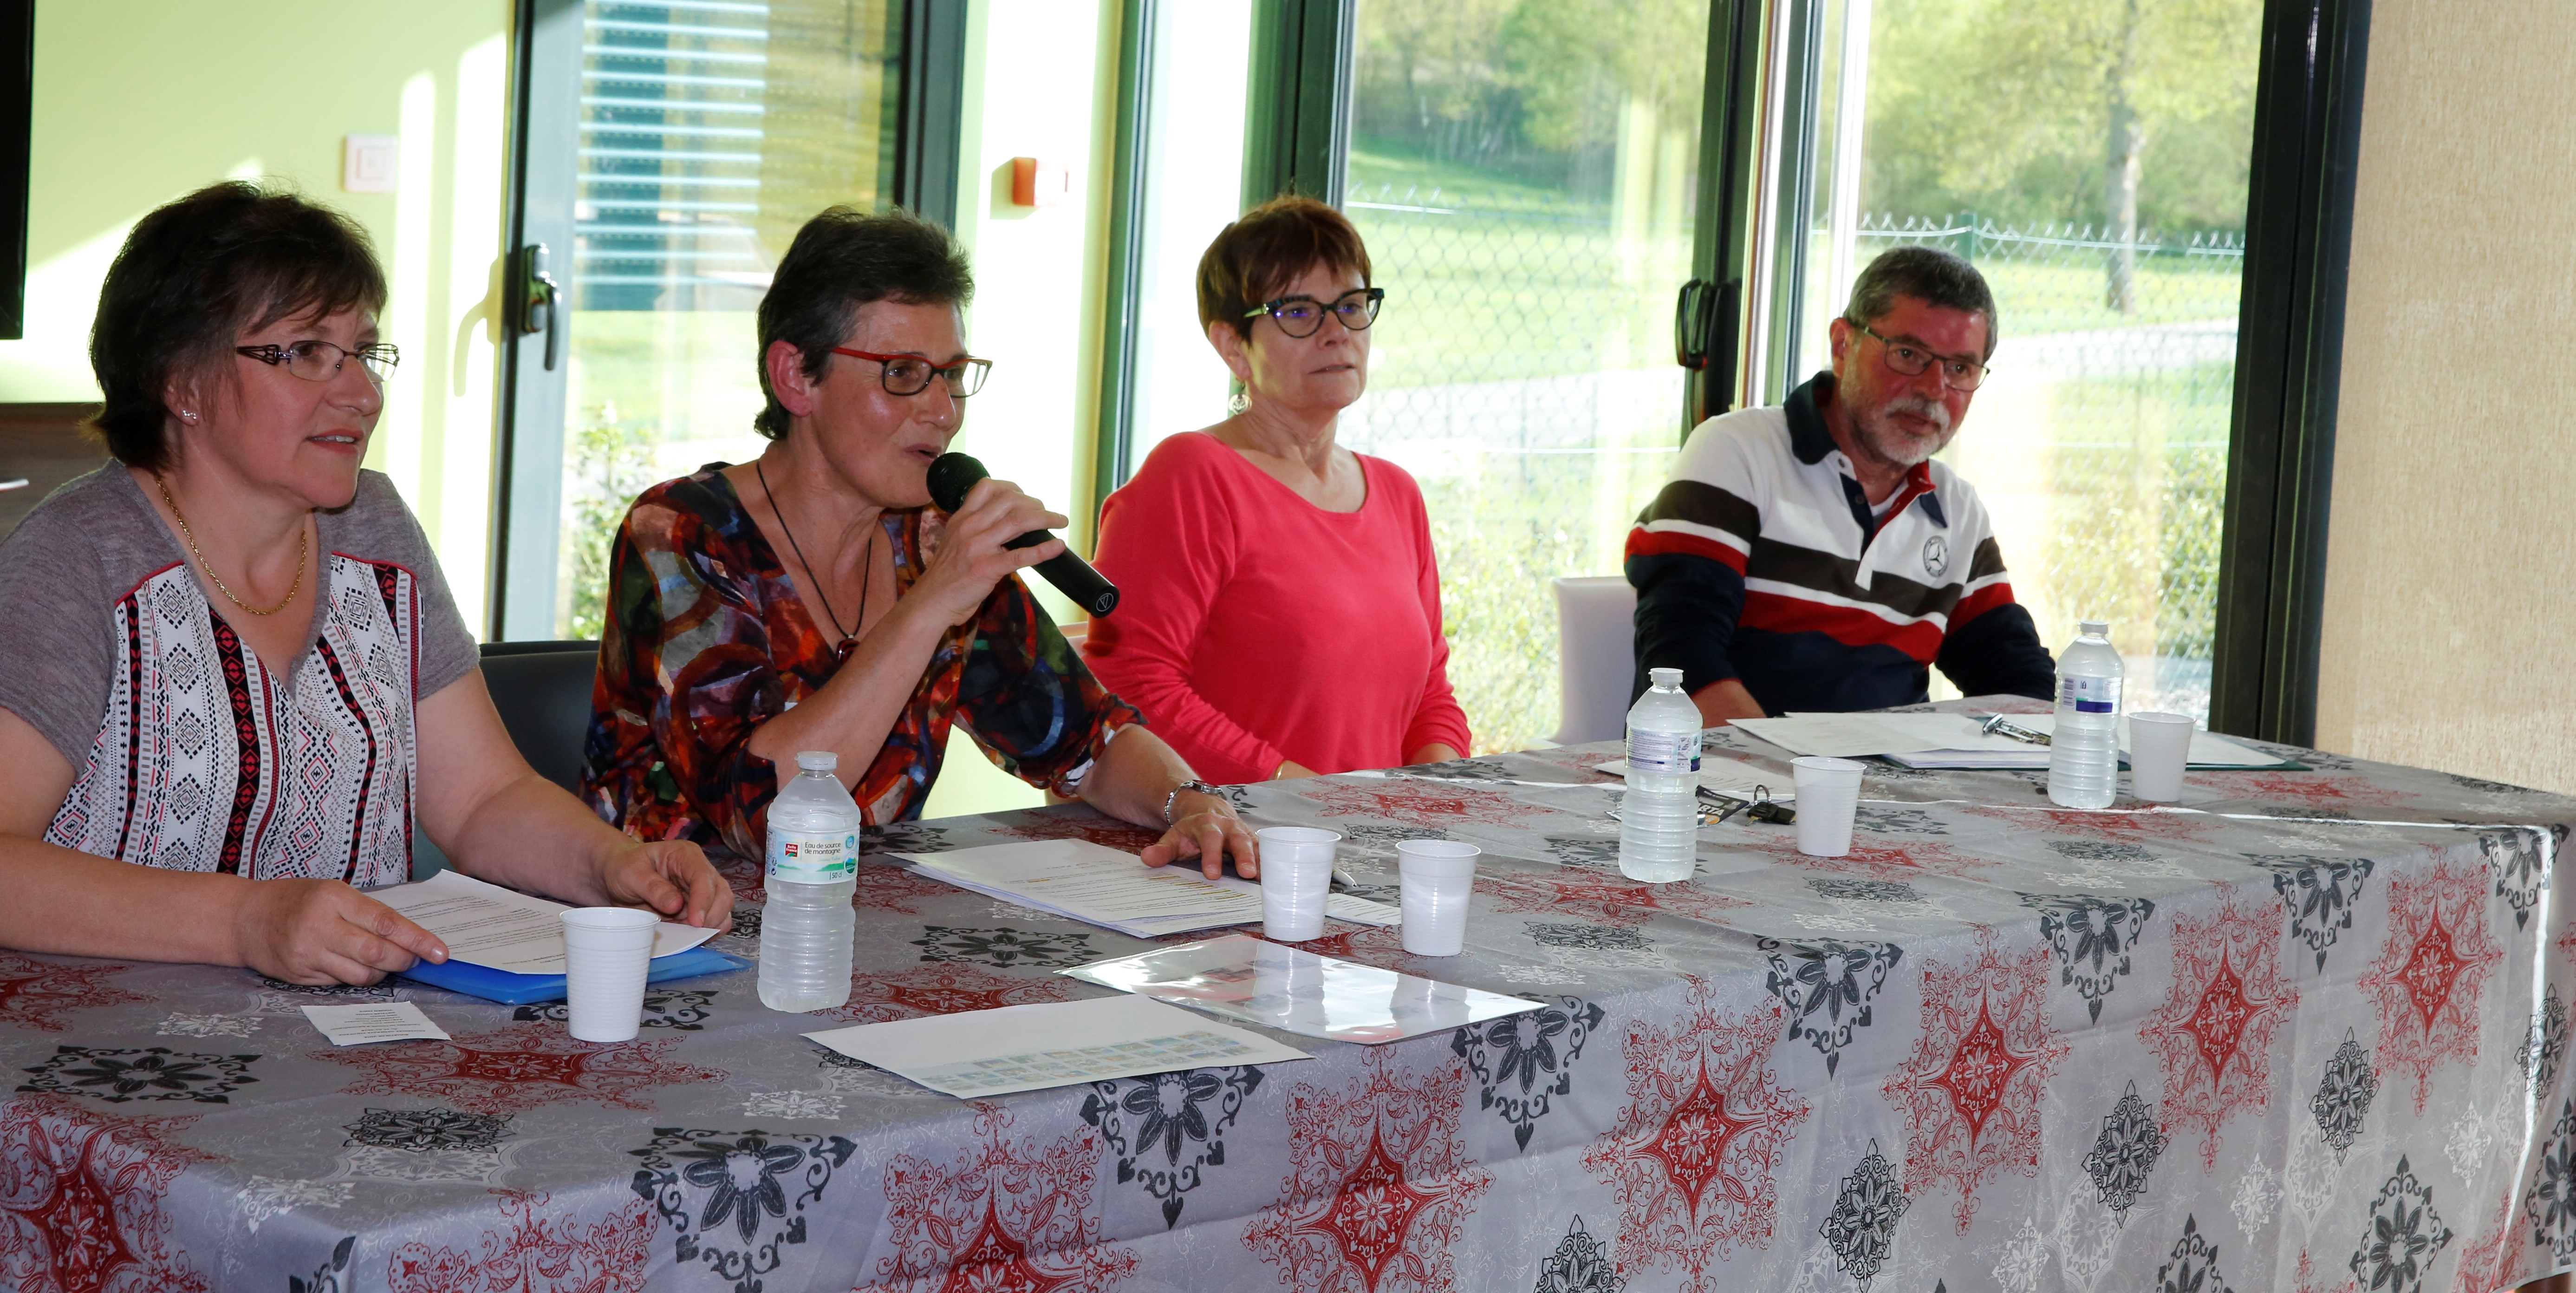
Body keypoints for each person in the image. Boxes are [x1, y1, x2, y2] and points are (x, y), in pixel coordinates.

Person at [0, 183, 730, 986]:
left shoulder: (373, 529)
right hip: (100, 1053)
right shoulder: (77, 557)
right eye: (307, 351)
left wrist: (612, 866)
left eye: (363, 352)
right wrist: (248, 921)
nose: (363, 392)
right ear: (183, 382)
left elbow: (481, 798)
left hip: (345, 1034)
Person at [581, 207, 1256, 878]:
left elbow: (1087, 741)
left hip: (859, 927)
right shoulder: (683, 533)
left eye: (953, 373)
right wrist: (933, 603)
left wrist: (1189, 803)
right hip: (675, 934)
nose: (943, 411)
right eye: (903, 373)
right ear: (796, 376)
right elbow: (760, 817)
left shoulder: (927, 538)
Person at [1080, 196, 1471, 783]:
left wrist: (1432, 797)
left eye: (1350, 305)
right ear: (1233, 346)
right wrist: (1297, 793)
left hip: (1369, 846)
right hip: (1225, 846)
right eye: (1298, 312)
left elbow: (1430, 696)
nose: (1336, 332)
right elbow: (1133, 687)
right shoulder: (1190, 475)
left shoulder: (1396, 493)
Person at [1627, 246, 2055, 723]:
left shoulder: (1956, 509)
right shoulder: (1736, 453)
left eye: (1959, 368)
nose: (1934, 389)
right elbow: (1681, 664)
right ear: (1842, 345)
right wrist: (1801, 786)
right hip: (1737, 784)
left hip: (1890, 788)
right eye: (1908, 354)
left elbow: (2019, 681)